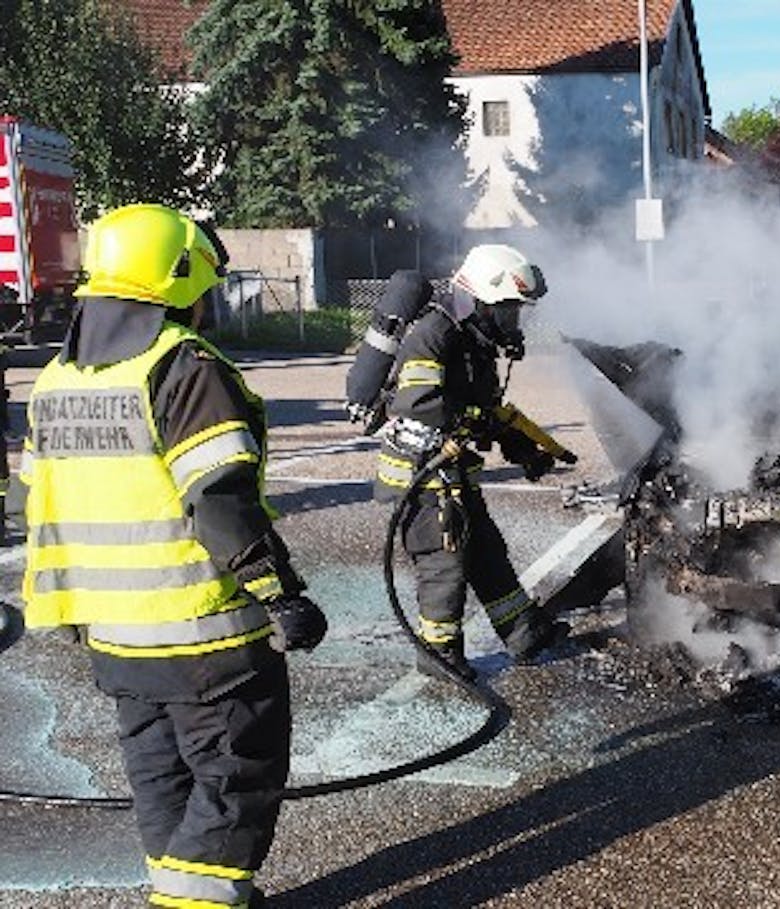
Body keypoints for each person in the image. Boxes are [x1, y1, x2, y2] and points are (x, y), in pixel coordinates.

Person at [19, 203, 326, 908]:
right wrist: (280, 594)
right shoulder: (181, 368)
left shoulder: (57, 381)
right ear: (179, 276)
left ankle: (189, 892)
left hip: (116, 637)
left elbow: (32, 501)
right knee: (235, 776)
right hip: (205, 636)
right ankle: (192, 903)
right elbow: (218, 499)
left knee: (160, 774)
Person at [375, 243, 565, 683]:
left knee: (487, 553)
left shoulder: (474, 339)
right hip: (421, 477)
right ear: (483, 299)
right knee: (444, 568)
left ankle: (525, 633)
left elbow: (488, 410)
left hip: (451, 473)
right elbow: (420, 401)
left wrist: (525, 451)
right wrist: (472, 418)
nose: (514, 320)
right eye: (510, 310)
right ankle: (439, 657)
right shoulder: (434, 333)